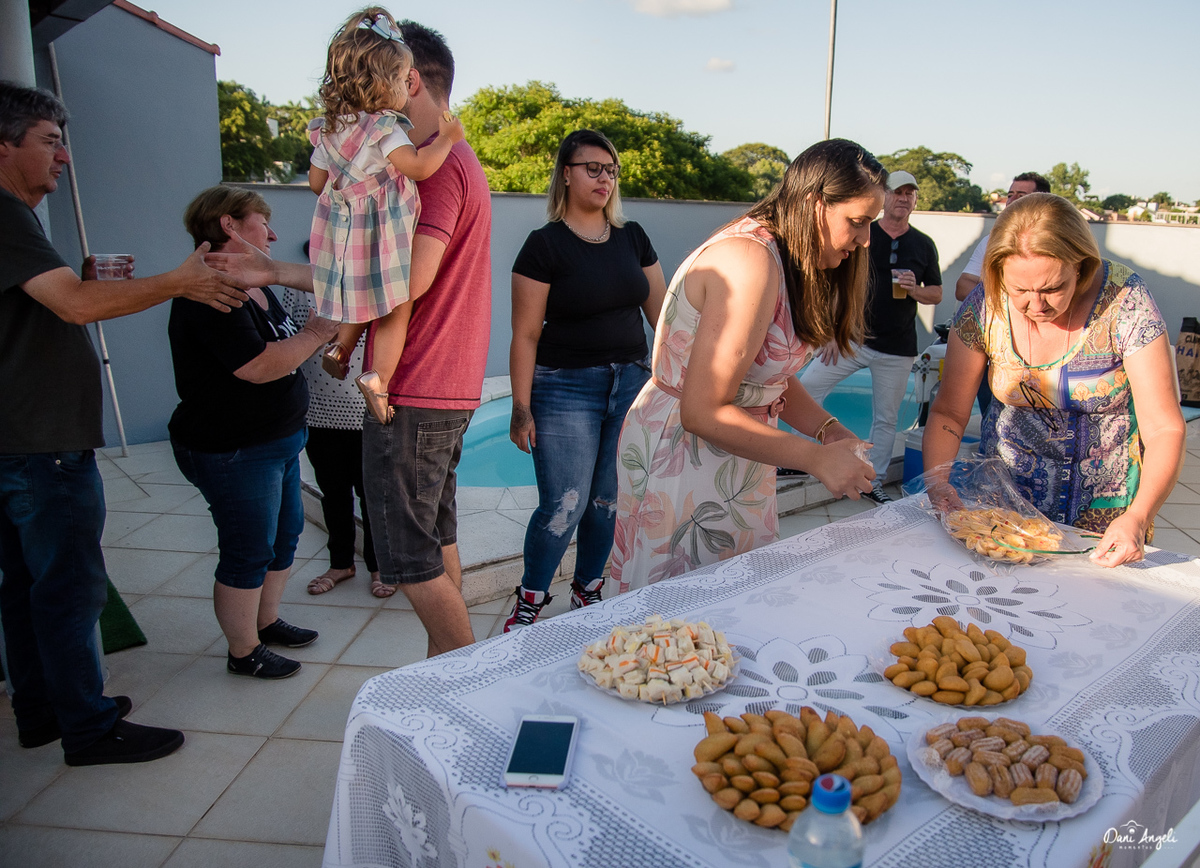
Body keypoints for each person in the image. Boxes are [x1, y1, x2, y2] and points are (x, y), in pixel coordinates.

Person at [205, 21, 491, 658]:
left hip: (413, 386)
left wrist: (287, 275)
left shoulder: (432, 168)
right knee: (436, 540)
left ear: (408, 81)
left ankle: (466, 677)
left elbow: (405, 279)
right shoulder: (440, 161)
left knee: (408, 558)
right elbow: (375, 271)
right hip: (443, 383)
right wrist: (274, 271)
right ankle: (446, 673)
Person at [0, 81, 244, 765]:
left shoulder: (17, 221)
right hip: (41, 443)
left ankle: (42, 711)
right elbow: (76, 307)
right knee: (70, 588)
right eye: (51, 141)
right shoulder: (6, 215)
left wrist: (83, 280)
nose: (64, 157)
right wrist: (178, 281)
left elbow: (55, 302)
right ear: (4, 145)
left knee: (25, 585)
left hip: (19, 439)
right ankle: (88, 727)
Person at [612, 139, 881, 592]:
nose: (866, 239)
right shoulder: (749, 259)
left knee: (728, 601)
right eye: (857, 221)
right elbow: (702, 412)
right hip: (685, 454)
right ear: (814, 203)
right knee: (680, 608)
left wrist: (828, 430)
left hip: (739, 453)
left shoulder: (786, 257)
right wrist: (815, 459)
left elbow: (766, 377)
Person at [923, 193, 1186, 568]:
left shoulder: (1125, 301)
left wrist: (1139, 516)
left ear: (1081, 266)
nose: (1036, 305)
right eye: (1019, 290)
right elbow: (949, 412)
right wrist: (938, 483)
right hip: (1006, 512)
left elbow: (1163, 428)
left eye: (1052, 288)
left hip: (1106, 518)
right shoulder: (984, 305)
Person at [169, 187, 338, 679]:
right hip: (234, 448)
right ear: (229, 225)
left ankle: (265, 622)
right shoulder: (212, 290)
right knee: (248, 550)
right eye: (263, 222)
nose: (273, 234)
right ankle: (243, 652)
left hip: (276, 440)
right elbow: (258, 366)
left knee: (283, 538)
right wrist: (316, 333)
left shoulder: (255, 283)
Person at [504, 130, 667, 630]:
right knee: (563, 504)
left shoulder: (632, 236)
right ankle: (530, 599)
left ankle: (588, 589)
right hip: (565, 387)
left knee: (606, 501)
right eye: (592, 168)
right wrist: (521, 408)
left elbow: (663, 317)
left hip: (631, 384)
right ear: (566, 173)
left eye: (611, 170)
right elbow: (525, 334)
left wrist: (674, 381)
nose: (604, 178)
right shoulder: (544, 245)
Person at [308, 7, 464, 425]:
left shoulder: (329, 128)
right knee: (395, 307)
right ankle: (379, 379)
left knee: (361, 296)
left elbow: (317, 182)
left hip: (345, 232)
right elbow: (418, 167)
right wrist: (447, 139)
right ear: (388, 81)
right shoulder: (385, 127)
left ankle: (340, 347)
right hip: (383, 230)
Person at [798, 169, 943, 503]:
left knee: (886, 419)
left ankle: (871, 481)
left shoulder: (923, 244)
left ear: (914, 201)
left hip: (897, 348)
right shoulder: (863, 233)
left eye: (909, 193)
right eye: (898, 192)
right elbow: (832, 282)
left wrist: (915, 290)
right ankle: (801, 460)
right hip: (851, 339)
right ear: (884, 197)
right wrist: (830, 332)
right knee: (808, 387)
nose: (903, 198)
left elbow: (936, 293)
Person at [282, 286, 387, 598]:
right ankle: (341, 563)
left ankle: (379, 566)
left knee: (373, 496)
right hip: (318, 413)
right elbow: (285, 344)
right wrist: (314, 335)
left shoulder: (373, 284)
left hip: (368, 413)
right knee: (334, 494)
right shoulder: (297, 288)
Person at [954, 173, 1051, 421]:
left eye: (1021, 195)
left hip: (1044, 356)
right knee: (994, 422)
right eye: (1010, 195)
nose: (1012, 201)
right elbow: (963, 287)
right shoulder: (992, 242)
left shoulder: (1056, 244)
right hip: (996, 354)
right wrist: (1009, 295)